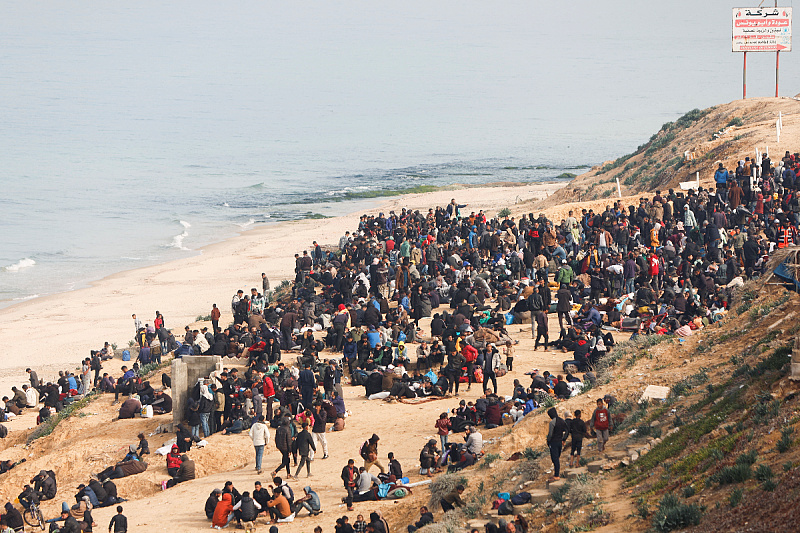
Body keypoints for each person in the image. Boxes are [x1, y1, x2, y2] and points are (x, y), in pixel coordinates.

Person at [546, 407, 568, 481]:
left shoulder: (552, 422)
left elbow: (550, 434)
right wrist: (564, 439)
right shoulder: (562, 421)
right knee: (557, 458)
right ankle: (556, 474)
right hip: (560, 442)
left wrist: (548, 441)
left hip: (554, 442)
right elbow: (567, 430)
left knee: (555, 459)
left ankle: (556, 475)